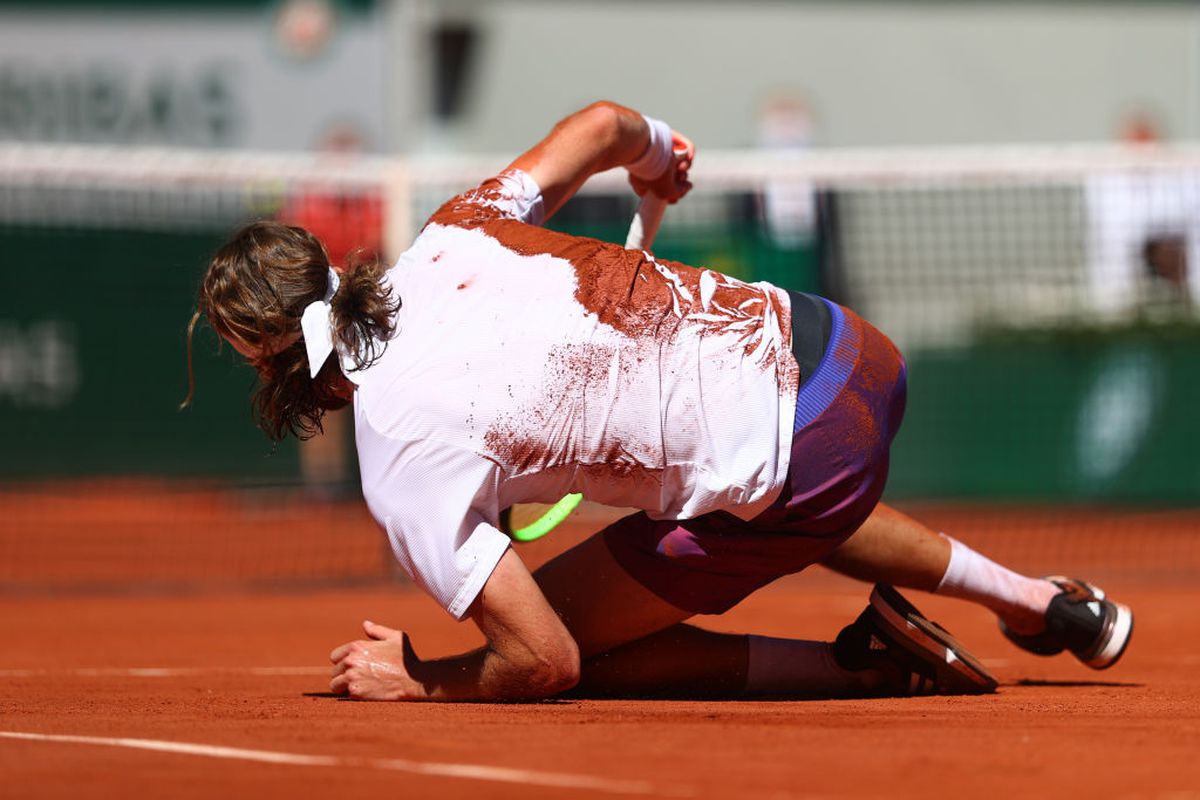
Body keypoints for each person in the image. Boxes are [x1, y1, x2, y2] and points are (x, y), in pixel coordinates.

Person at [185, 101, 1133, 702]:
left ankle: (867, 666)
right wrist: (656, 157)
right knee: (752, 481)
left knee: (571, 644)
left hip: (810, 464)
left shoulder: (396, 462)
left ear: (275, 369)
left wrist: (424, 677)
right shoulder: (454, 231)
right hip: (849, 350)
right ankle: (1038, 602)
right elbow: (602, 124)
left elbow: (543, 659)